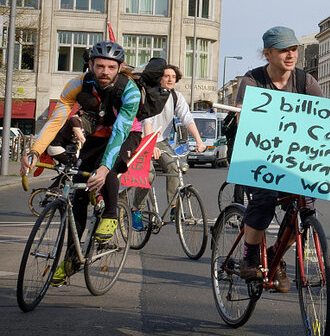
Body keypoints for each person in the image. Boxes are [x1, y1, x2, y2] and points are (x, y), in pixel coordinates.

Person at [21, 41, 141, 284]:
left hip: (126, 134)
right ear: (90, 65)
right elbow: (56, 120)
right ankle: (72, 258)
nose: (105, 71)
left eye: (110, 67)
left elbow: (119, 133)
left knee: (106, 169)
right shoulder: (78, 84)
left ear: (119, 67)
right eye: (100, 66)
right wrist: (35, 150)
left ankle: (110, 215)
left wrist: (105, 167)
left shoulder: (130, 91)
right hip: (97, 134)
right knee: (77, 192)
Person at [235, 26, 325, 293]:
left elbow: (324, 117)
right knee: (264, 196)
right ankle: (250, 256)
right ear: (268, 54)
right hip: (257, 155)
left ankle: (276, 252)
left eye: (294, 49)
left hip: (294, 158)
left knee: (304, 207)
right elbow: (242, 117)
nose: (291, 55)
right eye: (284, 50)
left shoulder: (304, 81)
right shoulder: (253, 79)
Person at [132, 63, 207, 229]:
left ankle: (174, 208)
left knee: (174, 167)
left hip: (162, 141)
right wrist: (150, 145)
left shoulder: (176, 97)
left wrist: (199, 141)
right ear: (159, 78)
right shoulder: (151, 95)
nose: (170, 79)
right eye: (167, 76)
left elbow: (187, 119)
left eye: (173, 77)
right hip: (143, 139)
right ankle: (136, 209)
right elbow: (147, 121)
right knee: (149, 174)